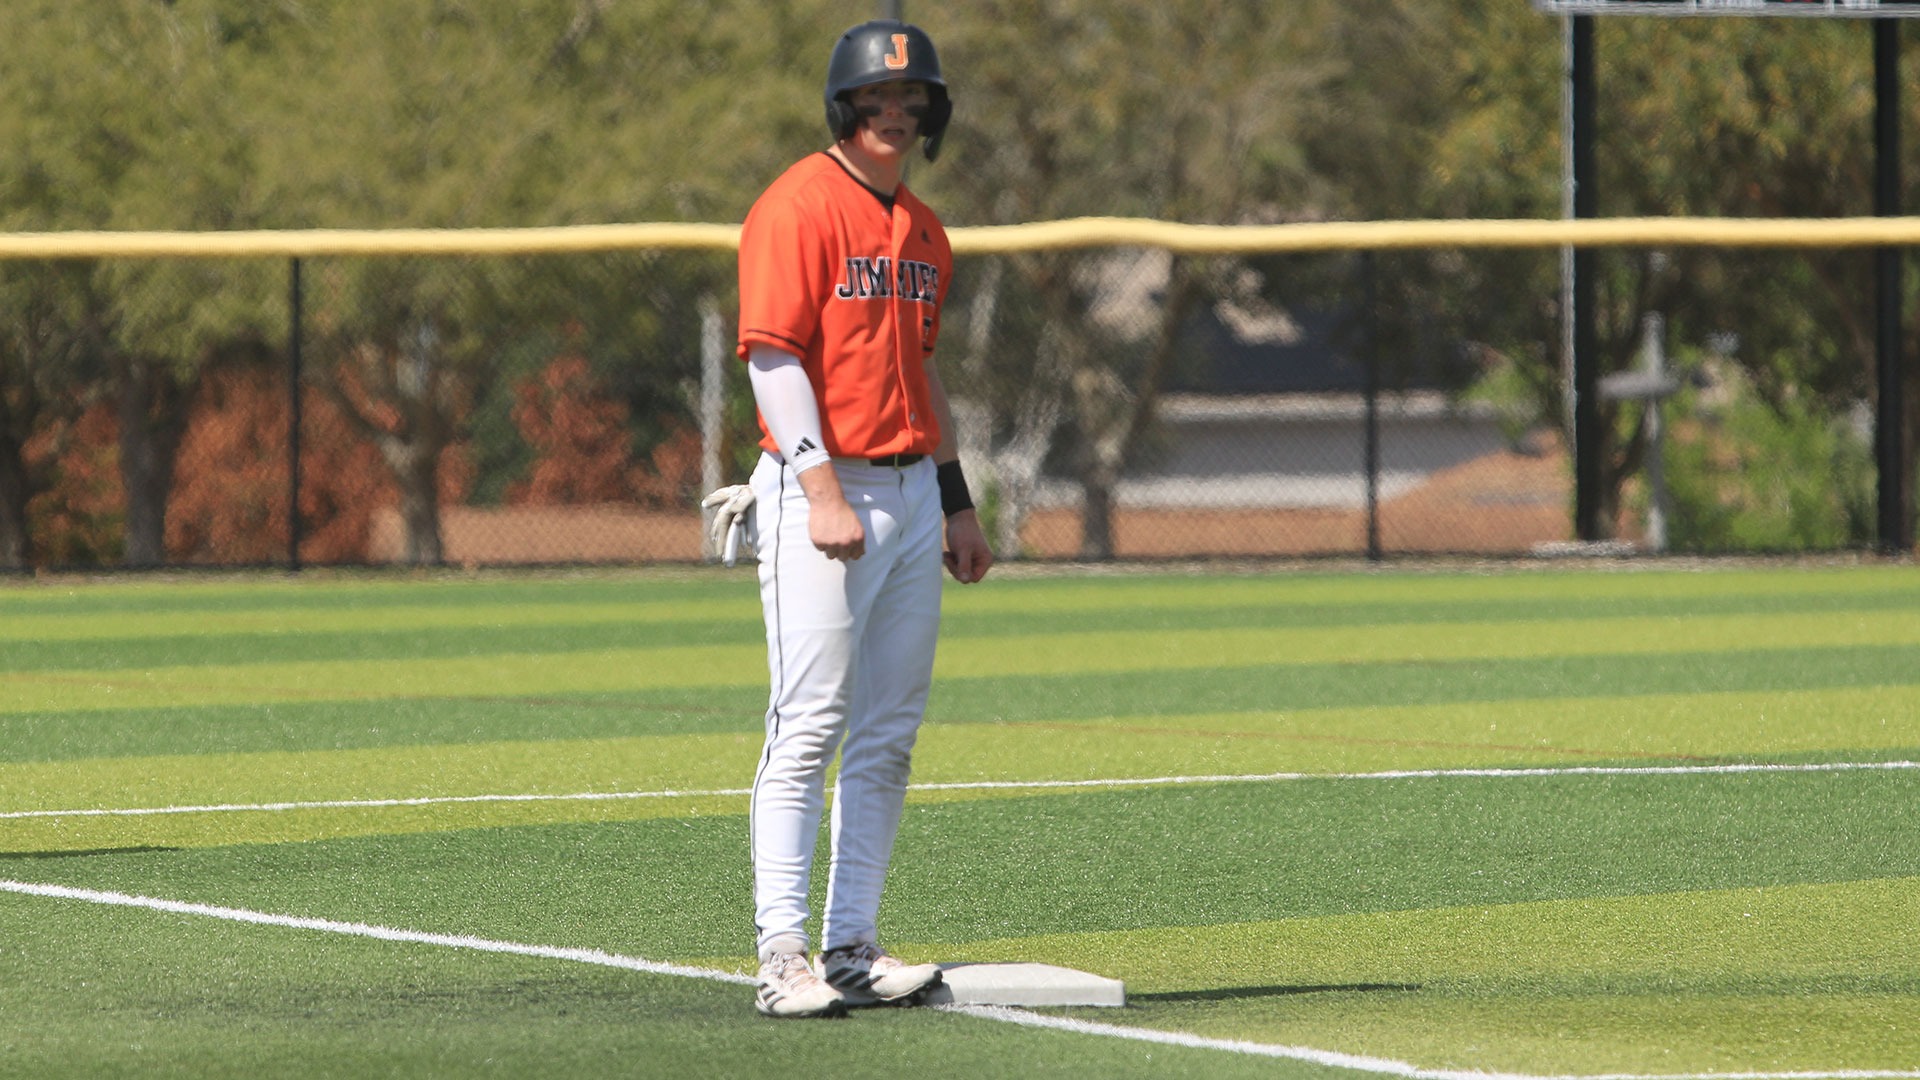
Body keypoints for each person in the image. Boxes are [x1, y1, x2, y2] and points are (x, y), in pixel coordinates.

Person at [729, 18, 993, 1020]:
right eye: (877, 99)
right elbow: (771, 355)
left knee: (887, 733)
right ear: (845, 108)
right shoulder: (796, 206)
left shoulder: (924, 231)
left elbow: (922, 375)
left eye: (912, 99)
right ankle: (781, 953)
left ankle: (851, 945)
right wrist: (824, 489)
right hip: (819, 490)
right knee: (807, 727)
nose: (895, 112)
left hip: (912, 490)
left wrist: (957, 502)